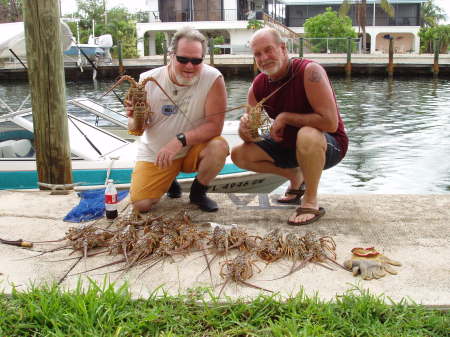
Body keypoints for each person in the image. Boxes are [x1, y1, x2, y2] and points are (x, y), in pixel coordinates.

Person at [231, 28, 348, 225]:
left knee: (307, 134)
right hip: (289, 146)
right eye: (257, 54)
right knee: (239, 154)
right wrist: (245, 131)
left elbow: (330, 122)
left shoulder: (309, 71)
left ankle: (310, 201)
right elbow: (252, 136)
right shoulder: (257, 85)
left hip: (328, 144)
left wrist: (285, 117)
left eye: (268, 50)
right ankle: (295, 176)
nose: (264, 58)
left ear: (283, 48)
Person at [127, 27, 228, 213]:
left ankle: (198, 193)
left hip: (191, 149)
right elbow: (135, 129)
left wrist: (179, 141)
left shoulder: (214, 78)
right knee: (141, 205)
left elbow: (215, 127)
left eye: (196, 60)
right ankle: (169, 179)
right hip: (157, 151)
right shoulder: (146, 80)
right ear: (171, 55)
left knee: (219, 146)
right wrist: (136, 118)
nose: (190, 66)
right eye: (183, 59)